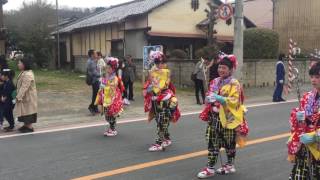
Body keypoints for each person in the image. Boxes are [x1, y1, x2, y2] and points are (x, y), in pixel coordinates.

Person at [197, 55, 248, 178]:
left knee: (229, 143)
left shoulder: (234, 83)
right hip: (214, 117)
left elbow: (235, 100)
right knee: (212, 142)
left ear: (230, 70)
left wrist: (220, 98)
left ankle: (230, 165)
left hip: (229, 119)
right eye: (220, 67)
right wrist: (208, 99)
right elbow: (210, 95)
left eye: (224, 68)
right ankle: (210, 168)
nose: (221, 70)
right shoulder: (214, 81)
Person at [287, 61, 320, 179]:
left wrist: (315, 136)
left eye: (317, 77)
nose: (313, 80)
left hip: (317, 144)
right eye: (312, 76)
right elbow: (299, 118)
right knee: (299, 174)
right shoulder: (307, 96)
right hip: (306, 144)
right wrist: (298, 116)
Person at [143, 51, 181, 152]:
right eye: (157, 63)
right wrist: (149, 87)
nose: (160, 65)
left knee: (162, 120)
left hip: (165, 97)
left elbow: (165, 84)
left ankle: (159, 142)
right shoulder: (151, 72)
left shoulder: (167, 72)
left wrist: (156, 83)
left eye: (162, 63)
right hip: (155, 98)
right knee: (159, 120)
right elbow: (148, 86)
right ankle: (166, 138)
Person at [95, 57, 124, 136]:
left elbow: (113, 86)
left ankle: (113, 129)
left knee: (112, 114)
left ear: (113, 69)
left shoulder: (115, 78)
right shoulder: (106, 76)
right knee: (107, 114)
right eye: (107, 68)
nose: (108, 69)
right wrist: (101, 84)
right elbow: (103, 85)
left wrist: (105, 85)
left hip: (113, 98)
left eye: (109, 68)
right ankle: (110, 128)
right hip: (106, 97)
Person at [16, 57, 38, 133]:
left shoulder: (28, 74)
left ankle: (30, 127)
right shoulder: (24, 72)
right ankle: (26, 125)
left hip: (28, 97)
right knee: (24, 111)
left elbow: (24, 87)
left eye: (19, 63)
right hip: (25, 96)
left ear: (24, 64)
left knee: (28, 111)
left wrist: (19, 96)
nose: (18, 64)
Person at [86, 49, 100, 115]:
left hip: (96, 80)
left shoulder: (92, 61)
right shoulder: (91, 62)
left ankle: (95, 108)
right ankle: (91, 107)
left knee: (97, 94)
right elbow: (94, 72)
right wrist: (101, 75)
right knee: (95, 95)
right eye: (95, 53)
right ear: (92, 55)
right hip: (94, 80)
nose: (96, 54)